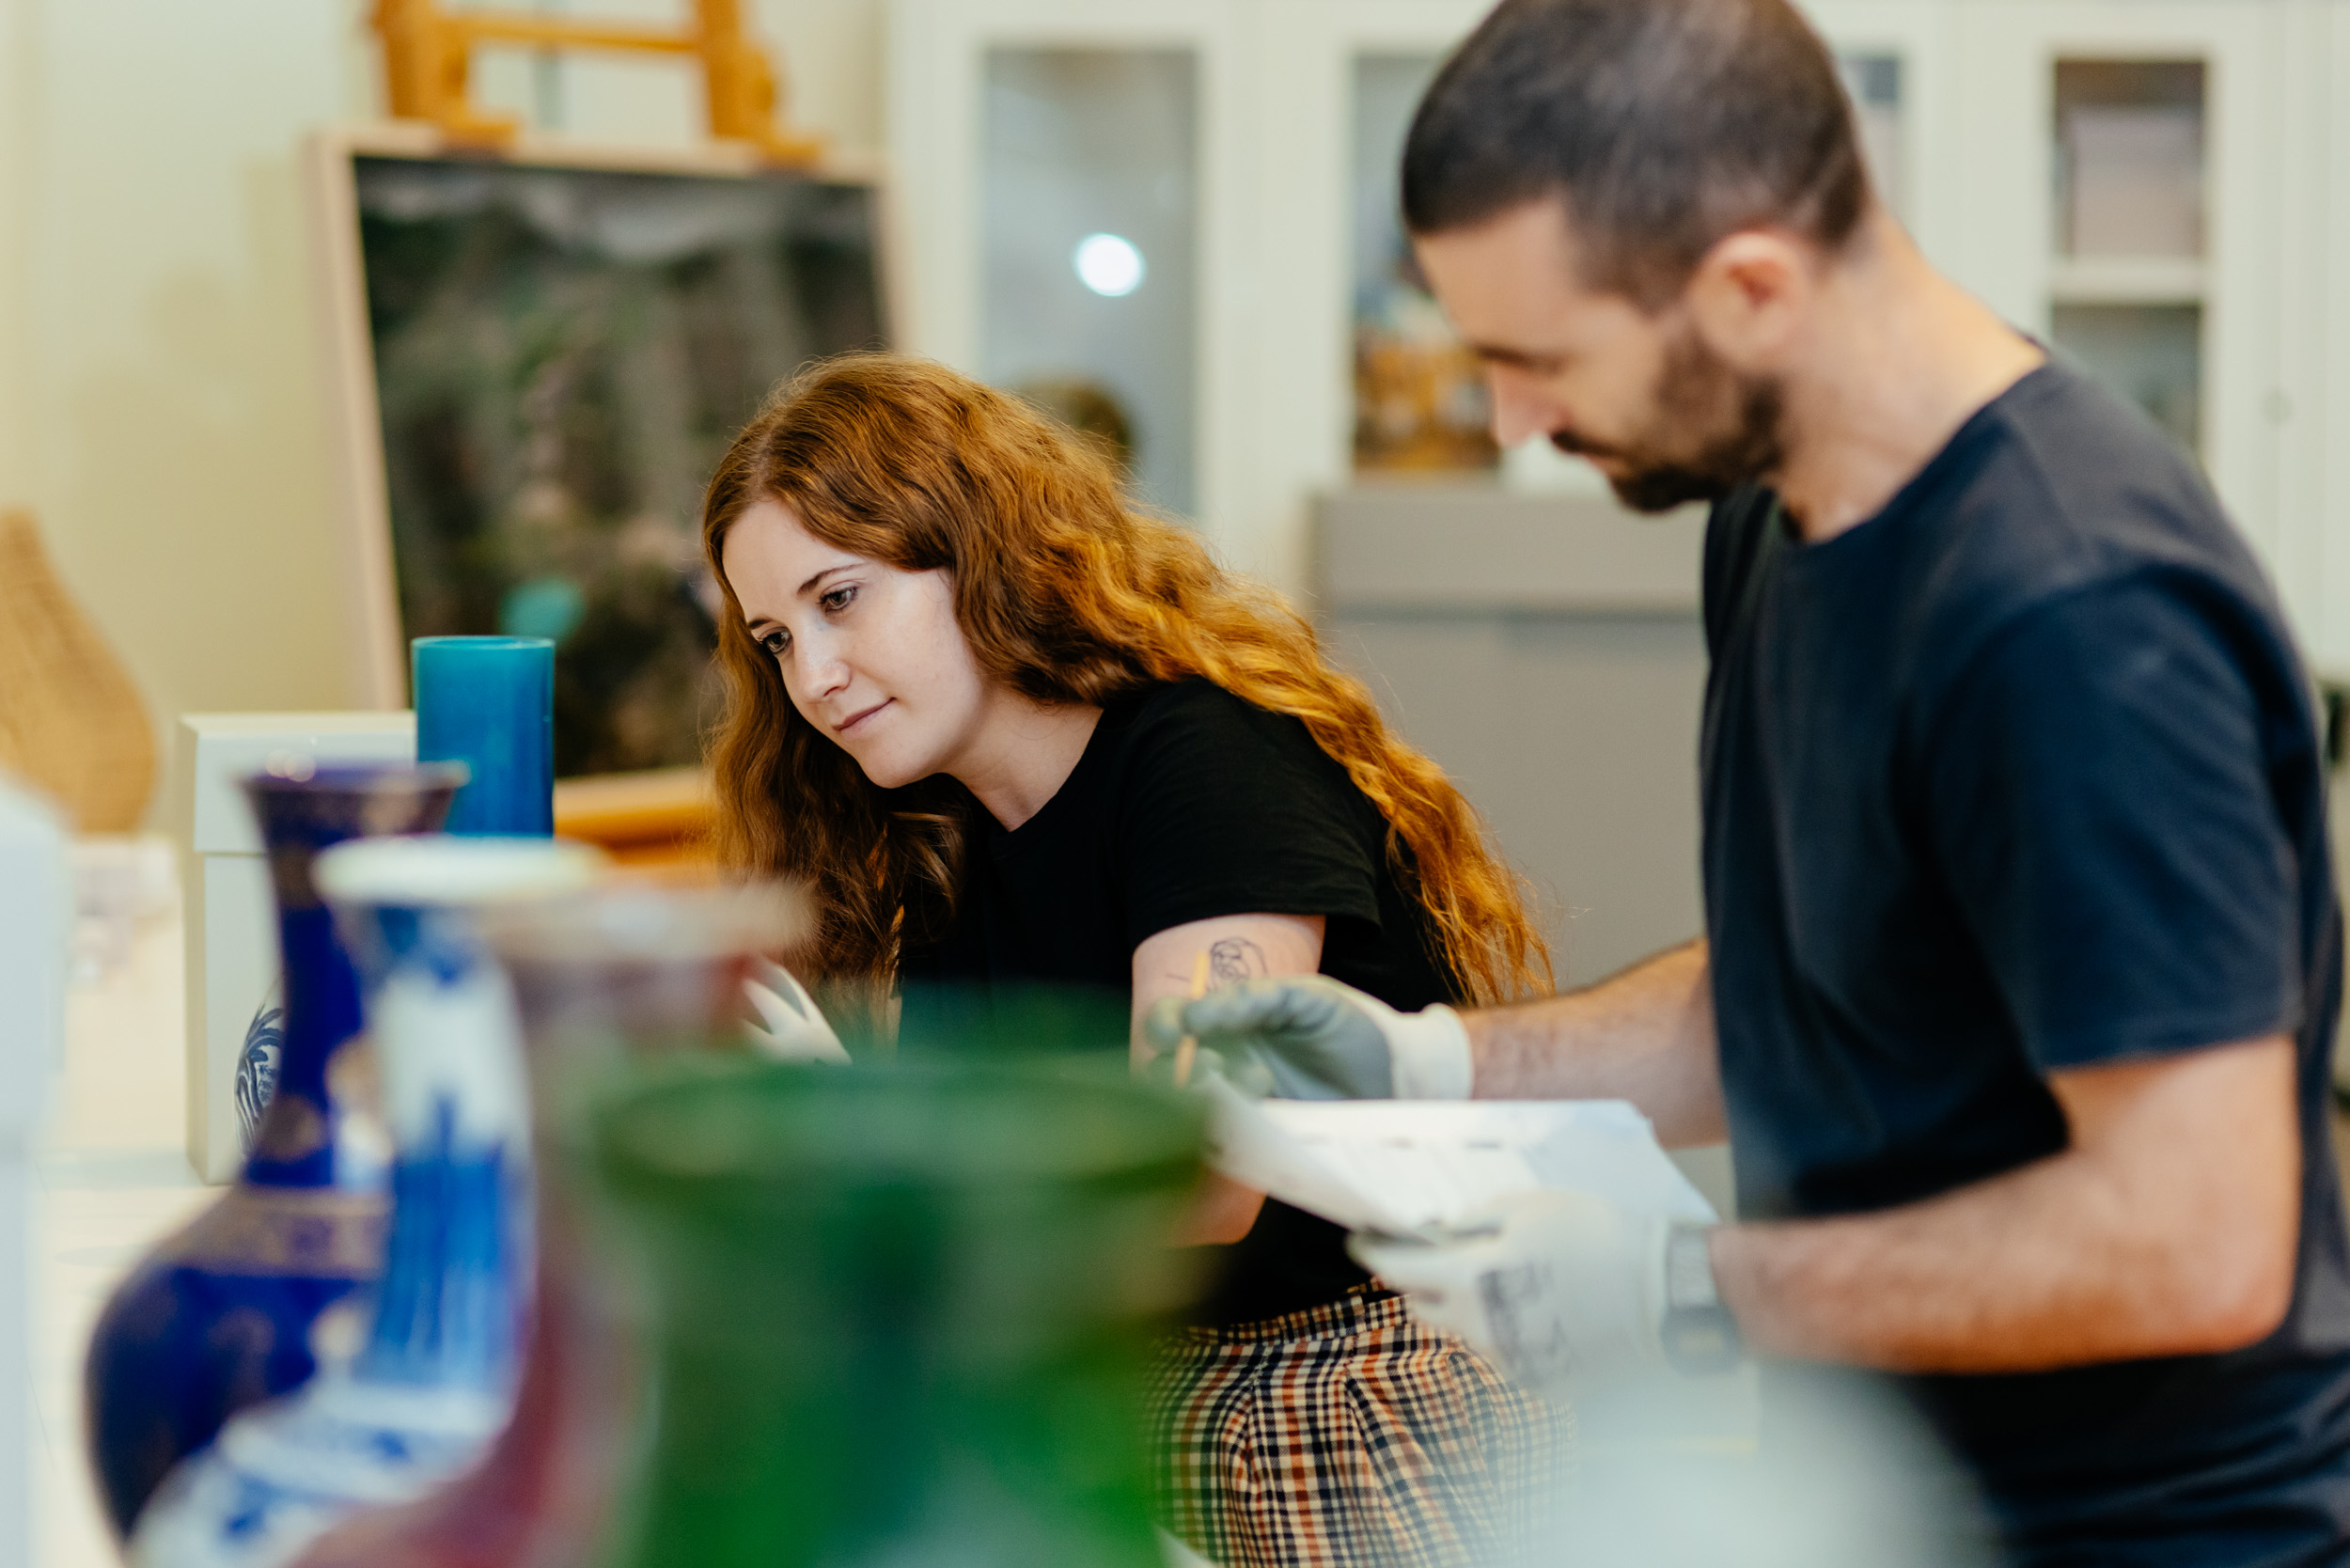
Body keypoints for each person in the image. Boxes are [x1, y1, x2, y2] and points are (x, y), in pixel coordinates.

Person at [1148, 1, 2350, 1562]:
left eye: (1539, 359)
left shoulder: (2071, 613)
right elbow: (1819, 980)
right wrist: (1432, 1068)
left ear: (1753, 286)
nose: (1511, 419)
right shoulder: (1774, 516)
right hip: (1888, 1487)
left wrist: (1683, 1292)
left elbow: (2198, 1242)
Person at [698, 353, 1568, 1567]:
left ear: (981, 548)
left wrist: (874, 1162)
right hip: (1121, 1392)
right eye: (776, 640)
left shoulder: (1207, 765)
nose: (815, 679)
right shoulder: (951, 840)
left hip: (1336, 1394)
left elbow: (1201, 1175)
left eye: (840, 600)